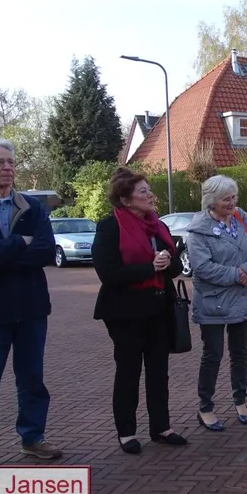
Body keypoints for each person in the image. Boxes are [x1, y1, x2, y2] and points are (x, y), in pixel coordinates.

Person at [91, 167, 187, 454]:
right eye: (143, 191)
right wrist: (150, 267)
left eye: (149, 190)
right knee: (129, 371)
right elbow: (108, 274)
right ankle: (127, 432)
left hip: (159, 306)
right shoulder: (109, 227)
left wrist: (167, 262)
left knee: (159, 370)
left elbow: (175, 267)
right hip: (125, 312)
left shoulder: (158, 226)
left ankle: (161, 427)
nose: (150, 195)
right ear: (126, 200)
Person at [0, 139, 61, 464]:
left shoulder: (33, 208)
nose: (7, 168)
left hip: (30, 309)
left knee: (32, 379)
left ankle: (32, 438)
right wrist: (18, 244)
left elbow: (45, 250)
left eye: (11, 162)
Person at [187, 175, 247, 431]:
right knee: (213, 355)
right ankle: (205, 407)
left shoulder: (241, 218)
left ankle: (240, 400)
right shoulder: (198, 230)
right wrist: (237, 275)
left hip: (242, 299)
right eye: (226, 199)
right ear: (211, 201)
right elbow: (202, 267)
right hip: (213, 304)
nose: (232, 203)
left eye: (234, 197)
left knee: (240, 353)